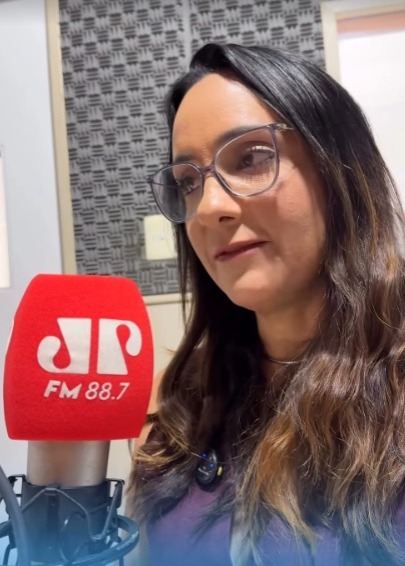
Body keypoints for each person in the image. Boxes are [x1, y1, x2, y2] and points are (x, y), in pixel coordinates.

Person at [126, 42, 405, 566]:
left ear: (339, 169)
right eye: (188, 183)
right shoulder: (181, 406)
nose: (208, 208)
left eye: (252, 158)